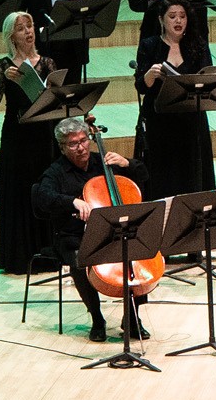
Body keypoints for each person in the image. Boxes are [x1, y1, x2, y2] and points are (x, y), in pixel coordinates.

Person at [33, 118, 150, 342]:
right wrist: (72, 202)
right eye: (73, 144)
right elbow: (42, 197)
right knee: (80, 259)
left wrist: (127, 164)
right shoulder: (55, 172)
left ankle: (132, 317)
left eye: (84, 140)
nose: (81, 147)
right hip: (73, 235)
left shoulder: (103, 163)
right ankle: (97, 318)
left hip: (113, 233)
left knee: (138, 254)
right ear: (62, 147)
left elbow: (143, 175)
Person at [0, 12, 57, 273]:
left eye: (30, 26)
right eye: (21, 28)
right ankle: (18, 256)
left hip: (43, 134)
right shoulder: (4, 64)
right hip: (16, 137)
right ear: (11, 36)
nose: (28, 31)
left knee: (44, 187)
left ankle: (48, 252)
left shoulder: (47, 63)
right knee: (19, 190)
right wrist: (4, 78)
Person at [133, 0, 216, 200]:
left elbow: (208, 79)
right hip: (159, 120)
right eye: (172, 16)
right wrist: (149, 76)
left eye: (182, 16)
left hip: (191, 119)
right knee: (163, 176)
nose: (178, 21)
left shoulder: (198, 45)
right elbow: (141, 86)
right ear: (161, 20)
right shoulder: (149, 45)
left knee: (193, 174)